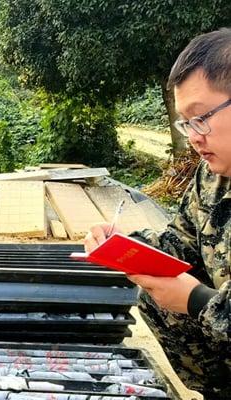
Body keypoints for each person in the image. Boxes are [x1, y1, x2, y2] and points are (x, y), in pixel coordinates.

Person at [84, 28, 231, 400]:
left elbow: (197, 298)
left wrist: (195, 300)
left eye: (201, 117)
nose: (193, 136)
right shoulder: (212, 178)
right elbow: (180, 242)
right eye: (185, 122)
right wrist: (121, 247)